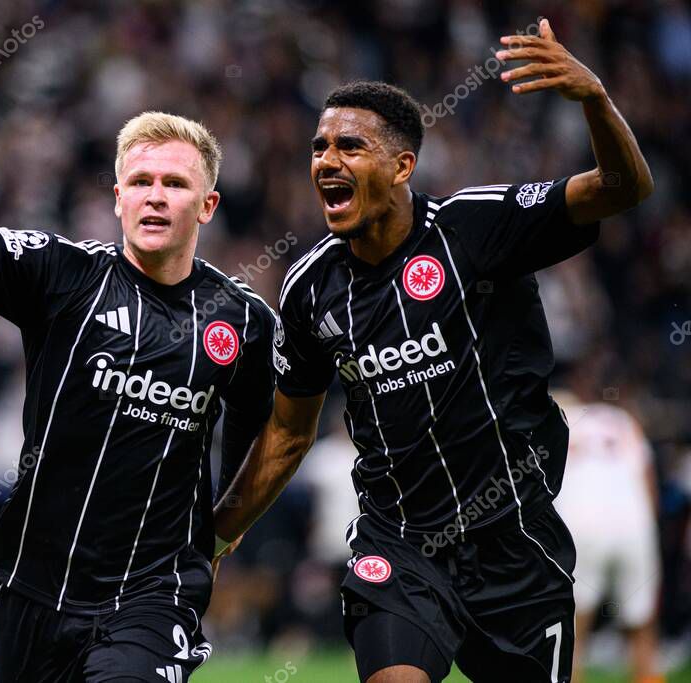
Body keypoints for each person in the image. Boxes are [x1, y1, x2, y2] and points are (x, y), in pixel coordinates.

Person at [214, 18, 653, 683]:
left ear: (402, 165)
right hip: (401, 546)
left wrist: (595, 100)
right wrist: (216, 532)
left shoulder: (476, 228)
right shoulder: (310, 287)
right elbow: (286, 431)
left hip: (516, 543)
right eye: (319, 146)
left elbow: (624, 189)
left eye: (350, 145)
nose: (327, 160)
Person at [0, 106, 275, 682]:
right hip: (36, 586)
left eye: (175, 184)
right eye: (141, 182)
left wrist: (225, 530)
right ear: (117, 197)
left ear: (207, 205)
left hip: (153, 592)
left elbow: (255, 432)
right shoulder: (61, 273)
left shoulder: (242, 320)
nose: (155, 196)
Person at [554, 357, 664, 683]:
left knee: (574, 631)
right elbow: (649, 486)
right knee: (643, 629)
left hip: (582, 524)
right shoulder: (626, 421)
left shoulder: (565, 419)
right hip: (634, 525)